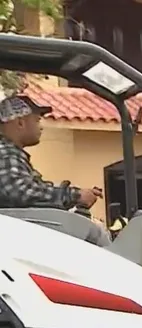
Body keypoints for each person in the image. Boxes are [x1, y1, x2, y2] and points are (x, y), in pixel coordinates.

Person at [0, 95, 109, 245]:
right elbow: (19, 191)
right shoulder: (5, 152)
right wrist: (75, 195)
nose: (41, 126)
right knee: (92, 232)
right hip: (10, 233)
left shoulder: (12, 154)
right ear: (20, 122)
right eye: (37, 120)